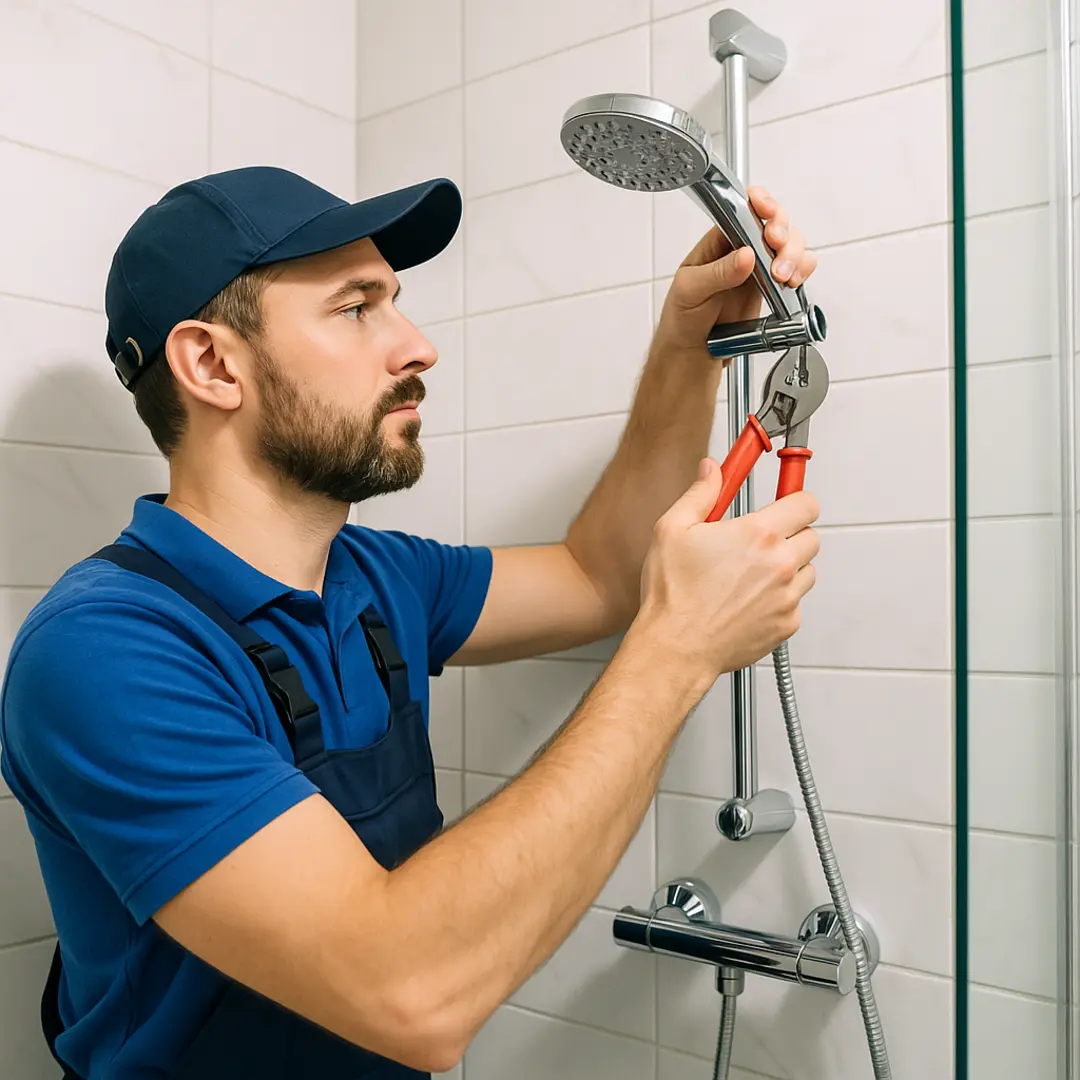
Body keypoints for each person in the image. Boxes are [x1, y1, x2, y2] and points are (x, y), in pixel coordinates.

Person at [0, 167, 819, 1080]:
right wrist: (675, 654)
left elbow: (603, 574)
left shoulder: (376, 574)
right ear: (212, 365)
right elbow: (411, 992)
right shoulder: (106, 651)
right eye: (356, 309)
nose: (418, 346)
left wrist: (684, 345)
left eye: (395, 302)